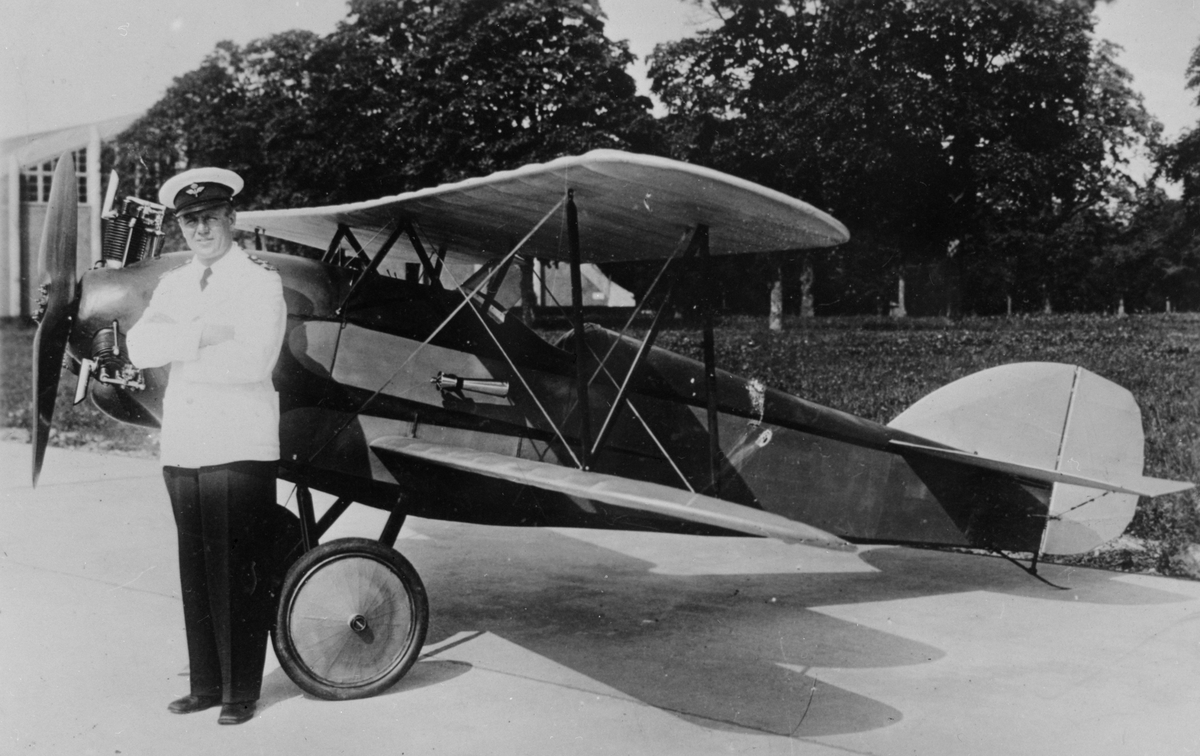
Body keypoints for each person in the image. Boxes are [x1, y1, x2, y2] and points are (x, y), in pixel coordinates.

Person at [126, 168, 288, 725]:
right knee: (195, 569)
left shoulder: (259, 281)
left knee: (236, 568)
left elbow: (253, 361)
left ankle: (241, 691)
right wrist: (201, 335)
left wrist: (180, 345)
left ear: (231, 220)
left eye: (210, 218)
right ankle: (205, 684)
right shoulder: (174, 282)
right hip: (185, 447)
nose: (200, 229)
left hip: (237, 443)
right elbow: (141, 345)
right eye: (190, 221)